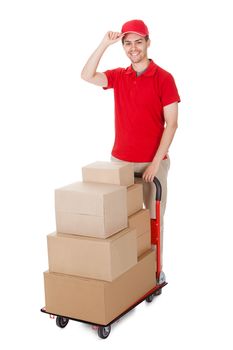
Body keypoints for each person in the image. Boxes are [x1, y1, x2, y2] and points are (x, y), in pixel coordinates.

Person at [81, 19, 180, 268]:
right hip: (120, 161)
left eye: (138, 42)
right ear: (123, 46)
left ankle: (154, 270)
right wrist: (105, 43)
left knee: (153, 218)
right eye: (127, 43)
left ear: (148, 43)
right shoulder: (119, 76)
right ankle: (128, 272)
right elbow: (87, 75)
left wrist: (156, 164)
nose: (133, 47)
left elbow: (172, 124)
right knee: (120, 220)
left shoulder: (164, 78)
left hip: (152, 162)